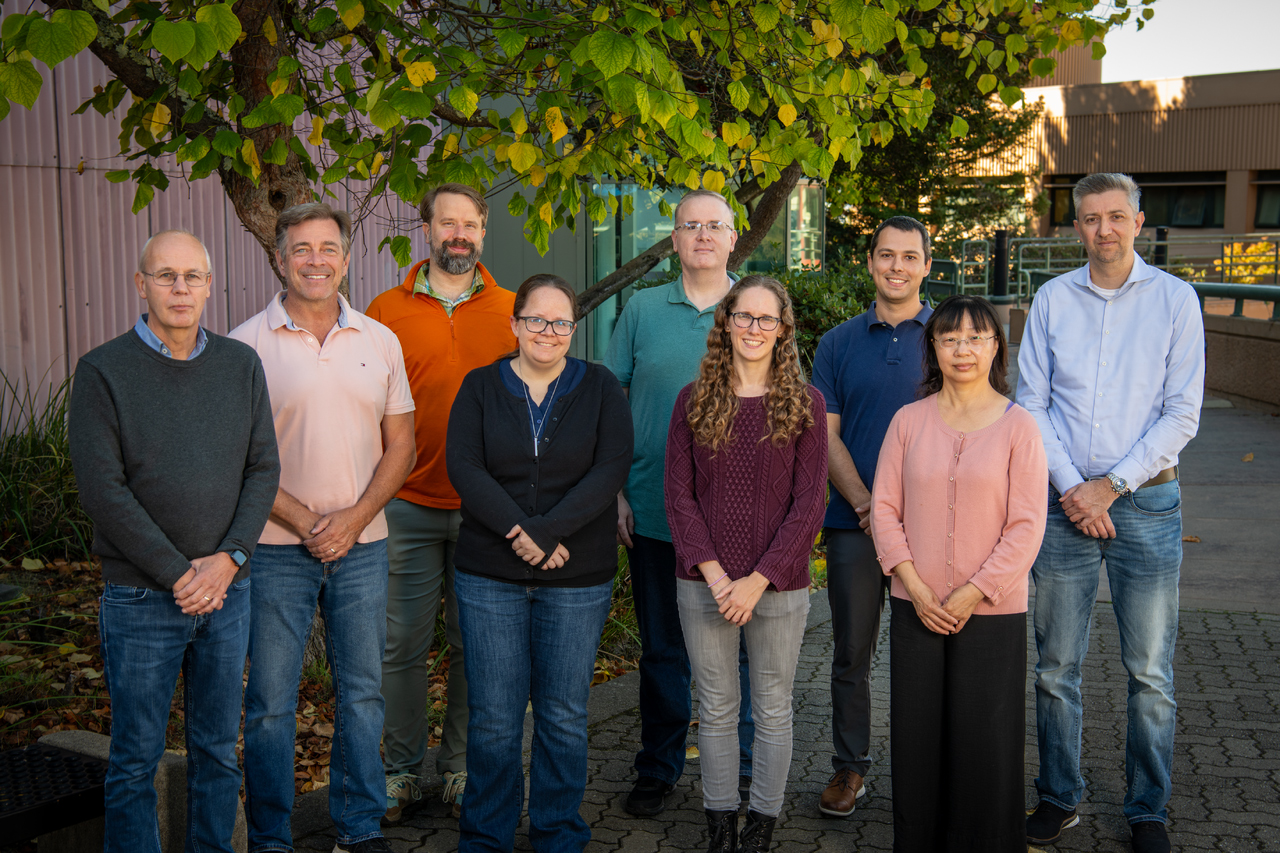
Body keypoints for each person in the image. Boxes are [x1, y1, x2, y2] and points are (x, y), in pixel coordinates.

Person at [68, 230, 280, 853]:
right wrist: (181, 575)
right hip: (140, 600)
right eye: (166, 276)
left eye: (192, 276)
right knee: (136, 759)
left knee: (218, 750)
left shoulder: (240, 365)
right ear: (142, 285)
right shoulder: (103, 371)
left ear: (210, 285)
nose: (180, 288)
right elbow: (103, 491)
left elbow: (263, 467)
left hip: (228, 594)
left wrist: (231, 558)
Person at [1019, 173, 1205, 853]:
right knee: (1054, 665)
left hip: (1148, 502)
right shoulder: (1052, 298)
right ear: (1076, 228)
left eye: (1116, 216)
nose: (1104, 229)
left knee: (1149, 669)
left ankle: (1147, 807)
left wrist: (1111, 486)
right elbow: (1031, 403)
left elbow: (1182, 411)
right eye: (1092, 218)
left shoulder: (1176, 301)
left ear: (1139, 221)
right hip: (1063, 504)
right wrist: (1075, 487)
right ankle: (1058, 796)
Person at [231, 203, 417, 853]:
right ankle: (271, 836)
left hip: (363, 546)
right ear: (279, 258)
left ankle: (359, 827)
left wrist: (355, 518)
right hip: (276, 547)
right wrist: (310, 520)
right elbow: (236, 458)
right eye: (301, 248)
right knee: (271, 702)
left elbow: (402, 445)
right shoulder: (244, 344)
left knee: (363, 692)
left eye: (328, 247)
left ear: (346, 256)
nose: (316, 259)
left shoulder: (378, 339)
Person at [444, 274, 633, 852]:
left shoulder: (599, 388)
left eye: (560, 322)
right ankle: (487, 836)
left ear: (572, 330)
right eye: (535, 320)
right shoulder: (479, 387)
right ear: (515, 324)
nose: (547, 331)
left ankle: (556, 831)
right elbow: (465, 468)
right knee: (496, 718)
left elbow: (611, 468)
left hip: (576, 578)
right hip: (489, 577)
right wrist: (520, 532)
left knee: (562, 714)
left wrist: (547, 533)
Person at [870, 295, 1047, 852]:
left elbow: (1026, 526)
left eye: (976, 338)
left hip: (992, 609)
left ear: (996, 347)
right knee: (918, 734)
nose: (962, 349)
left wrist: (972, 592)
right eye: (949, 338)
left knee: (984, 736)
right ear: (934, 347)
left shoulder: (1020, 427)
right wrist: (917, 589)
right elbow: (883, 510)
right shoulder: (908, 422)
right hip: (914, 603)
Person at [366, 183, 517, 822]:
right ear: (426, 227)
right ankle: (398, 771)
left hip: (487, 508)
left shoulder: (513, 310)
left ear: (484, 230)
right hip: (405, 501)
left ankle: (458, 768)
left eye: (470, 224)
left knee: (472, 644)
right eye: (446, 222)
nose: (459, 234)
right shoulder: (384, 308)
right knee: (399, 643)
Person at [604, 189, 755, 817]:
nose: (700, 236)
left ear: (730, 238)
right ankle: (658, 768)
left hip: (741, 520)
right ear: (674, 241)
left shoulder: (755, 307)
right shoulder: (640, 308)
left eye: (713, 226)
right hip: (653, 510)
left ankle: (744, 772)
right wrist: (612, 488)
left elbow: (784, 402)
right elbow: (612, 396)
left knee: (741, 653)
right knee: (664, 650)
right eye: (689, 226)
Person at [665, 276, 828, 853]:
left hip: (777, 586)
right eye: (744, 317)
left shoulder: (807, 405)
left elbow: (810, 504)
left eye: (767, 319)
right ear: (726, 323)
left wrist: (756, 581)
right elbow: (678, 498)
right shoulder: (693, 401)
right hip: (704, 585)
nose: (755, 328)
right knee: (714, 708)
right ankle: (720, 824)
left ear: (784, 329)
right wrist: (716, 576)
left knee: (774, 707)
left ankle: (762, 821)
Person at [810, 215, 934, 817]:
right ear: (870, 262)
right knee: (851, 651)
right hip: (851, 522)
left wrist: (904, 513)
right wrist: (865, 503)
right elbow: (824, 434)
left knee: (923, 651)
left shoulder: (946, 336)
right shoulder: (836, 342)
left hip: (929, 527)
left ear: (926, 266)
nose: (896, 266)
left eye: (909, 257)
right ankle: (849, 768)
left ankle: (924, 768)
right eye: (886, 255)